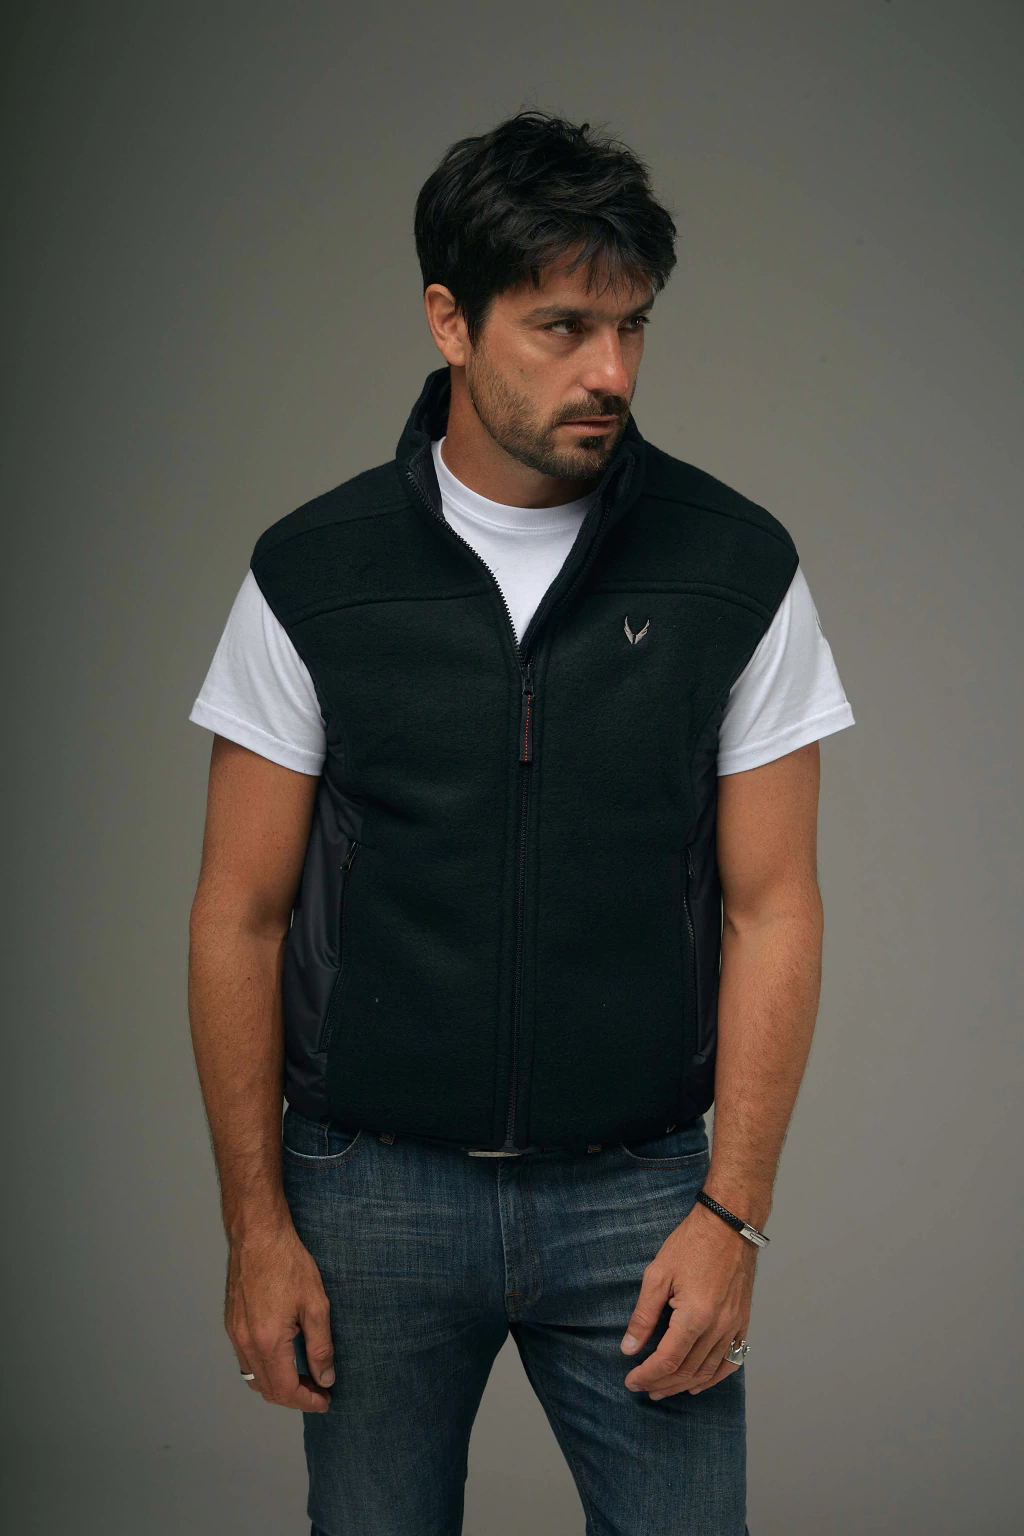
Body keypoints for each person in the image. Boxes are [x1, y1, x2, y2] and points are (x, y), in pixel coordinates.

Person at [187, 110, 855, 1536]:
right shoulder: (315, 571)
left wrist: (732, 1214)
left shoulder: (734, 567)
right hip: (367, 1198)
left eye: (632, 326)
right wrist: (257, 1226)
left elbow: (774, 907)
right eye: (562, 327)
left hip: (643, 1201)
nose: (610, 370)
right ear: (450, 319)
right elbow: (238, 915)